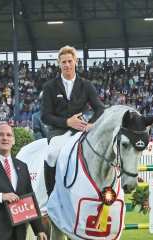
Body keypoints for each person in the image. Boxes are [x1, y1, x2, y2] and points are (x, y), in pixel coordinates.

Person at [41, 45, 105, 195]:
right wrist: (67, 122)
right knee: (51, 154)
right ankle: (51, 194)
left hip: (82, 131)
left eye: (70, 61)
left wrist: (90, 124)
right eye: (64, 62)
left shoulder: (86, 85)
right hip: (58, 131)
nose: (67, 65)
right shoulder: (49, 87)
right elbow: (45, 116)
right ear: (59, 63)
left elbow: (100, 108)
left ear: (76, 61)